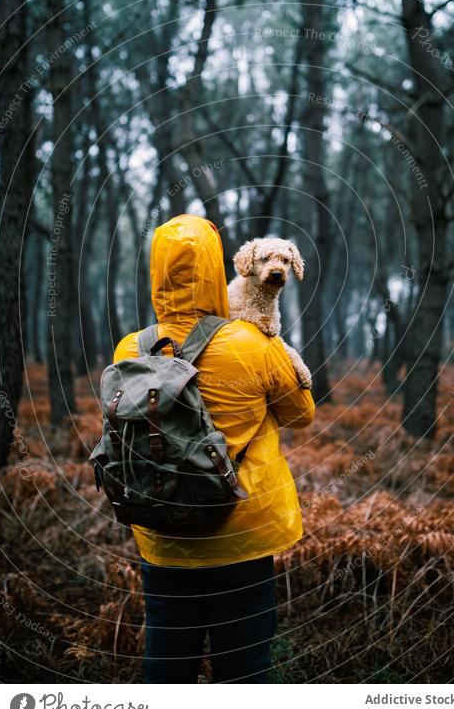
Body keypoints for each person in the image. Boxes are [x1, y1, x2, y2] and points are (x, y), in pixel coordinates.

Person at [113, 214, 315, 683]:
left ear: (156, 272)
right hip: (242, 532)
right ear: (216, 268)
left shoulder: (130, 348)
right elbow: (302, 415)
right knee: (243, 668)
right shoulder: (251, 343)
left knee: (166, 661)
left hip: (162, 531)